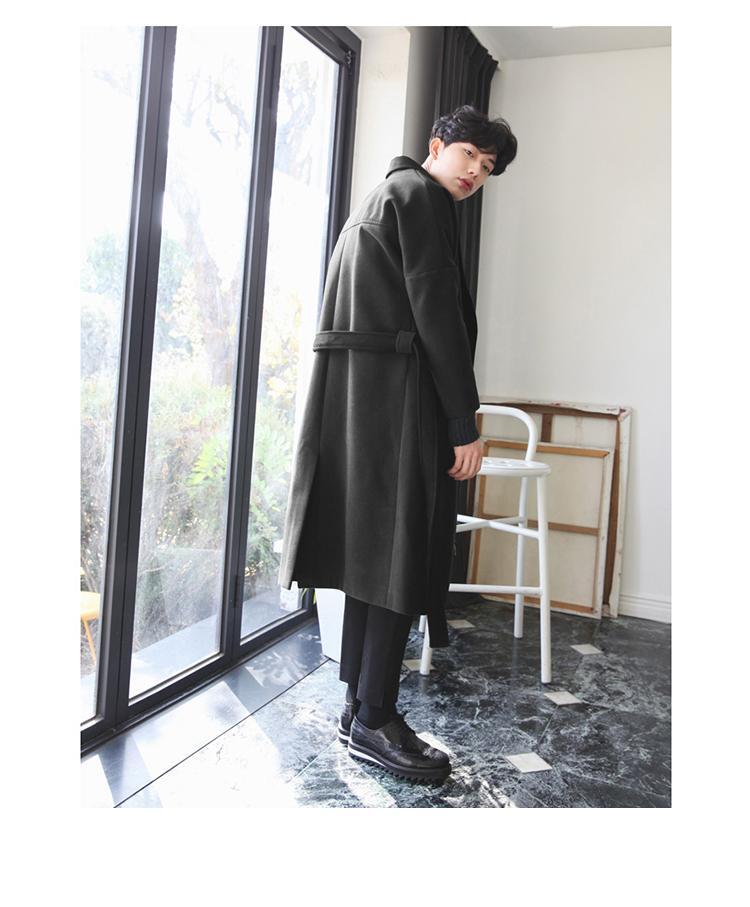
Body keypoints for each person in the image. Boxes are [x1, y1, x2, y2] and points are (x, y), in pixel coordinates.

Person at [279, 104, 517, 783]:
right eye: (470, 154)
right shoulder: (419, 196)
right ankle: (377, 716)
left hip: (363, 404)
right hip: (402, 403)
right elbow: (437, 314)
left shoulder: (381, 197)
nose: (475, 172)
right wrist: (463, 422)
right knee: (400, 556)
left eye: (487, 167)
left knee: (373, 558)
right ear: (437, 145)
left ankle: (360, 708)